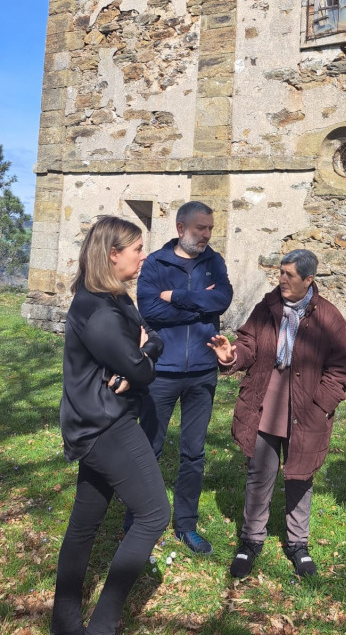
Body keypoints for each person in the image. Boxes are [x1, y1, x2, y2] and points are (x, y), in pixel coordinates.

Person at [51, 217, 170, 635]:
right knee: (155, 514)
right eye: (137, 249)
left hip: (97, 420)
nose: (143, 257)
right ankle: (102, 625)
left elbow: (148, 342)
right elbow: (141, 369)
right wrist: (139, 361)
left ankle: (64, 625)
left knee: (84, 525)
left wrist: (144, 352)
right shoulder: (97, 308)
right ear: (112, 254)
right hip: (106, 426)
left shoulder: (114, 298)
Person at [209, 249, 346, 578]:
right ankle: (250, 541)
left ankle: (298, 544)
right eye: (280, 273)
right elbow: (249, 343)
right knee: (259, 474)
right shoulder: (268, 306)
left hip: (307, 411)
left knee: (300, 477)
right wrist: (232, 355)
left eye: (289, 275)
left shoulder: (328, 318)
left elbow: (341, 370)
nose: (282, 280)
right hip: (265, 403)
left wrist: (320, 406)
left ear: (308, 279)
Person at [130, 200, 233, 555]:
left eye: (209, 229)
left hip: (203, 371)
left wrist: (178, 296)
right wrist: (197, 304)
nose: (206, 235)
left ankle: (186, 524)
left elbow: (222, 300)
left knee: (194, 453)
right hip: (162, 371)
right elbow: (151, 310)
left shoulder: (213, 262)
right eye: (200, 229)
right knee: (149, 448)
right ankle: (139, 518)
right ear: (180, 229)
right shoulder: (156, 263)